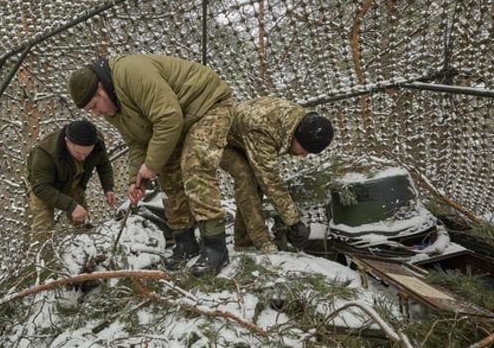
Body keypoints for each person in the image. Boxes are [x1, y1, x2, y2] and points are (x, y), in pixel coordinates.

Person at [68, 54, 233, 276]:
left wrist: (152, 164)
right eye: (90, 111)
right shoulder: (112, 107)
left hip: (207, 106)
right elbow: (137, 141)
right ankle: (185, 243)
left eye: (94, 105)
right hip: (180, 122)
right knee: (169, 176)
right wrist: (137, 178)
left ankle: (215, 247)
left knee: (195, 165)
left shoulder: (131, 72)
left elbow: (168, 117)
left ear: (100, 88)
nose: (95, 114)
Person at [220, 96, 334, 254]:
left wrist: (292, 220)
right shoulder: (264, 129)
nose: (304, 155)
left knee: (257, 180)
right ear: (298, 136)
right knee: (246, 177)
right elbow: (270, 181)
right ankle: (260, 242)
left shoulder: (297, 121)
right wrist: (294, 221)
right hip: (219, 138)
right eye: (305, 149)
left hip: (243, 137)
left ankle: (244, 242)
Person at [26, 120, 116, 249]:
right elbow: (40, 187)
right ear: (67, 141)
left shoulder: (97, 142)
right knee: (43, 226)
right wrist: (71, 205)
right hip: (44, 186)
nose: (83, 158)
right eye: (78, 153)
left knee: (83, 221)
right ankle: (41, 262)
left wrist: (108, 188)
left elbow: (104, 164)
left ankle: (88, 252)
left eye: (87, 153)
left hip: (73, 181)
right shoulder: (44, 152)